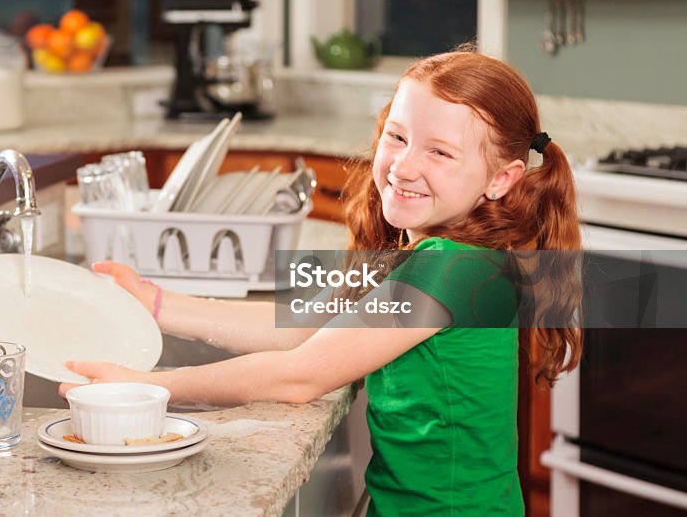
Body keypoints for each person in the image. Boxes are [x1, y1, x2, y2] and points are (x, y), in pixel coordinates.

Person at [60, 50, 583, 515]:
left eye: (439, 152)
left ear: (501, 178)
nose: (403, 165)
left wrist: (148, 387)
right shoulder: (441, 253)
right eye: (397, 137)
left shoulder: (451, 270)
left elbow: (297, 375)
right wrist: (157, 303)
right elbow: (304, 326)